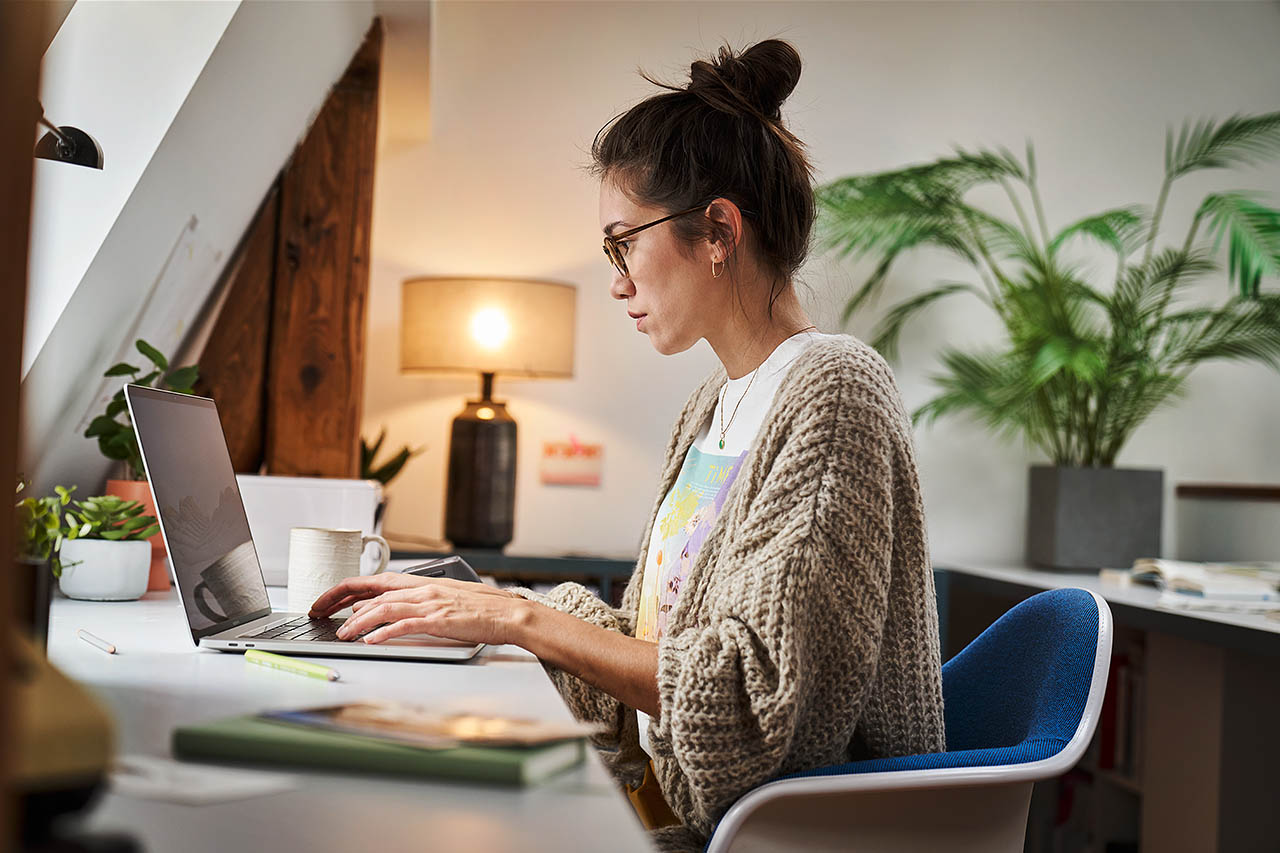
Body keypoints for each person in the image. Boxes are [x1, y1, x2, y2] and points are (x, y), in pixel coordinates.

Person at [309, 38, 946, 853]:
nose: (616, 280)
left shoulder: (834, 389)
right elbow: (654, 658)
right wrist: (466, 607)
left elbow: (756, 705)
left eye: (623, 242)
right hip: (667, 813)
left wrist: (516, 619)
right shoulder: (714, 408)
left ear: (717, 230)